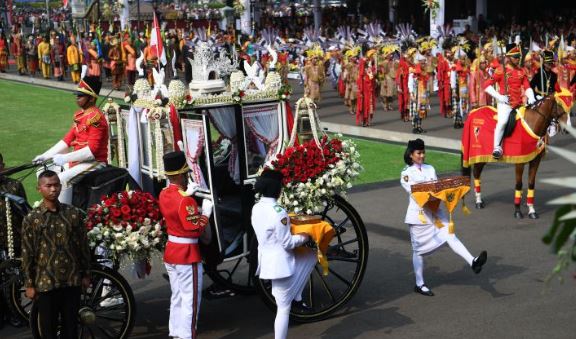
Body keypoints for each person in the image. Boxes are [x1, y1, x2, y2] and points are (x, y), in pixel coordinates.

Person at [400, 139, 487, 296]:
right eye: (418, 153)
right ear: (411, 155)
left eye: (423, 152)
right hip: (419, 216)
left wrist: (450, 193)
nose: (422, 155)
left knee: (450, 235)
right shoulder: (406, 173)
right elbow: (414, 192)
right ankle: (419, 284)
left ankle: (473, 262)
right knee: (418, 251)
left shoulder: (430, 168)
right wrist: (436, 193)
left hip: (435, 213)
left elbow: (438, 188)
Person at [21, 170, 91, 338]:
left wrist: (86, 274)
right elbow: (27, 253)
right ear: (40, 189)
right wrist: (29, 284)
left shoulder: (72, 213)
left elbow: (83, 246)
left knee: (71, 328)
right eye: (48, 186)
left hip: (71, 281)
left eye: (56, 185)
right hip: (46, 284)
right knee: (48, 330)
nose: (53, 189)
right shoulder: (32, 219)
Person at [251, 169, 316, 339]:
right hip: (281, 266)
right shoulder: (279, 212)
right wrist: (306, 236)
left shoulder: (256, 208)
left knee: (310, 256)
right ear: (278, 190)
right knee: (283, 310)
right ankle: (295, 296)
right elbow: (287, 243)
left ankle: (297, 295)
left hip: (266, 262)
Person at [159, 150, 213, 339]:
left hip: (172, 252)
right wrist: (205, 214)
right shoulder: (185, 199)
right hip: (186, 253)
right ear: (181, 175)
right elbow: (196, 230)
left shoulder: (164, 193)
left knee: (177, 296)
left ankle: (175, 333)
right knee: (191, 299)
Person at [32, 77, 108, 204]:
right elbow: (67, 140)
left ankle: (62, 212)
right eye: (77, 95)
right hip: (77, 161)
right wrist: (45, 156)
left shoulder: (96, 118)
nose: (77, 98)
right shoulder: (80, 115)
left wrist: (65, 158)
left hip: (94, 162)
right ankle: (50, 205)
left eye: (81, 95)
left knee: (61, 179)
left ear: (91, 98)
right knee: (42, 171)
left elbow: (92, 151)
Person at [483, 45, 536, 159]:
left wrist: (531, 97)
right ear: (509, 57)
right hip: (505, 104)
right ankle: (497, 147)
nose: (518, 59)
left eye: (519, 57)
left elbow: (526, 86)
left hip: (519, 104)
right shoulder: (501, 70)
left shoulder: (522, 71)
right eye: (516, 57)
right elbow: (486, 86)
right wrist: (500, 97)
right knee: (502, 122)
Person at [0, 153, 27, 328]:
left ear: (3, 165)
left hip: (13, 242)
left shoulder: (14, 186)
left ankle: (15, 313)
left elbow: (25, 214)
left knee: (13, 281)